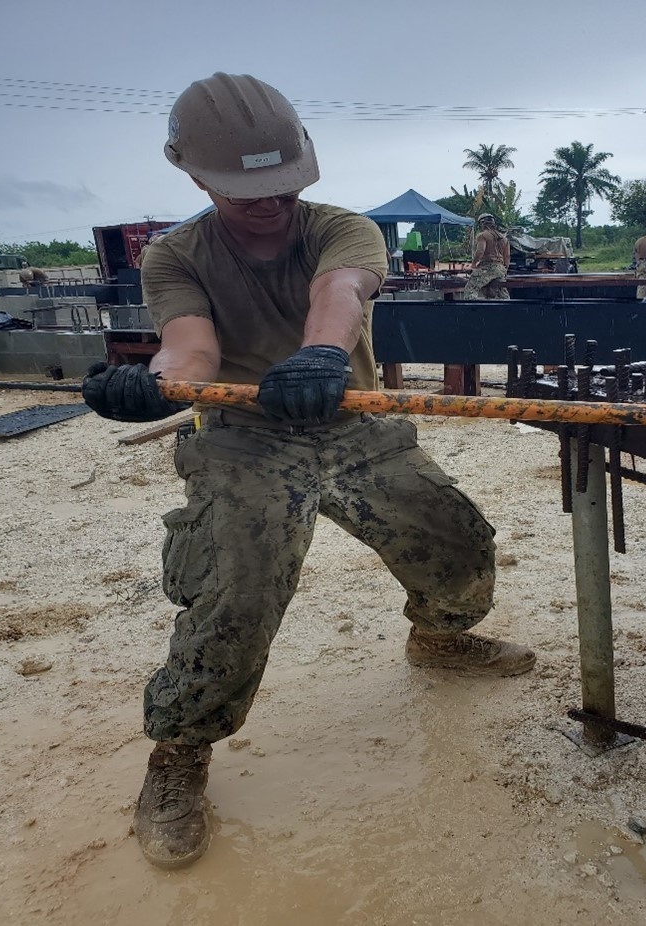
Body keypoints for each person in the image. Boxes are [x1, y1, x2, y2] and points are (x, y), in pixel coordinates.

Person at [81, 72, 535, 871]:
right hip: (244, 435)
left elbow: (342, 291)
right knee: (239, 589)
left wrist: (322, 353)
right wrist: (156, 382)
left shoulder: (344, 227)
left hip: (353, 418)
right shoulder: (175, 256)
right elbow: (192, 346)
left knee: (458, 545)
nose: (270, 202)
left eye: (283, 185)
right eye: (247, 190)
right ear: (194, 176)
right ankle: (179, 754)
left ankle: (439, 636)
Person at [462, 214, 510, 300]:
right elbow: (507, 256)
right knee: (499, 291)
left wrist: (473, 264)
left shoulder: (483, 235)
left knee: (471, 288)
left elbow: (480, 251)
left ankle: (472, 309)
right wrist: (505, 268)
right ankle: (508, 308)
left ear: (482, 224)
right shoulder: (504, 238)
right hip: (500, 268)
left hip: (487, 267)